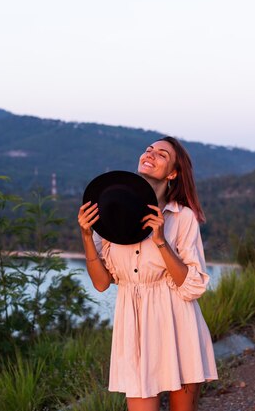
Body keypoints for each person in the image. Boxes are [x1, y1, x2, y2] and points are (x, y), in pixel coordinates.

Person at [78, 136, 218, 411]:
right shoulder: (110, 211)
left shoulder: (182, 217)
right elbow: (101, 283)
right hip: (133, 326)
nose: (150, 155)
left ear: (174, 173)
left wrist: (160, 239)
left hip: (179, 322)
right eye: (148, 150)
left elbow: (192, 287)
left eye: (162, 155)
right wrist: (85, 234)